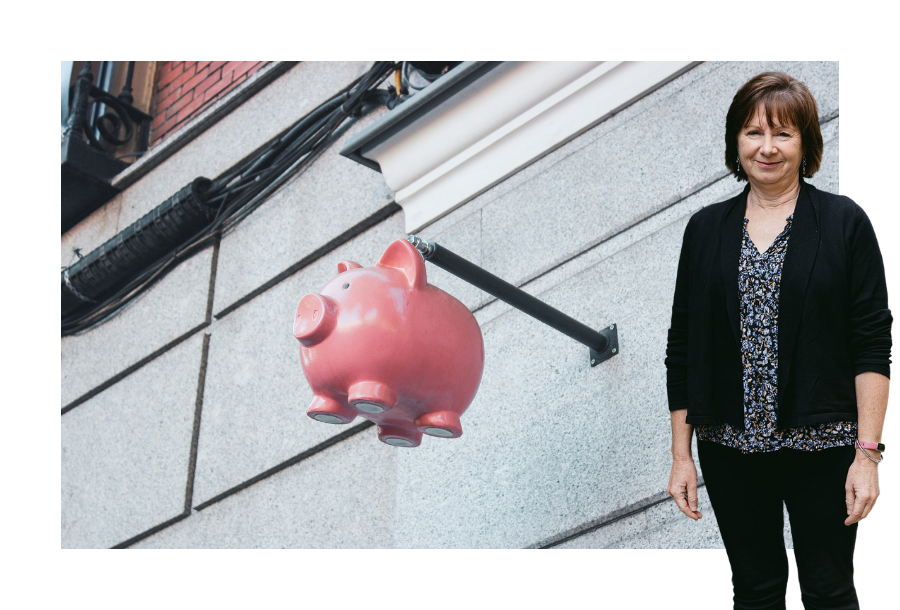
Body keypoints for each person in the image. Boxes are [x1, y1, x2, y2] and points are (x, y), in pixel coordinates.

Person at [664, 71, 891, 610]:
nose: (766, 147)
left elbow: (871, 344)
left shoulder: (843, 223)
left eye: (783, 134)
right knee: (756, 591)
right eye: (752, 132)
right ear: (735, 142)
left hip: (824, 447)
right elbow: (683, 348)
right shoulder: (704, 230)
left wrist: (867, 457)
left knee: (829, 589)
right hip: (731, 451)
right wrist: (681, 455)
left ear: (806, 143)